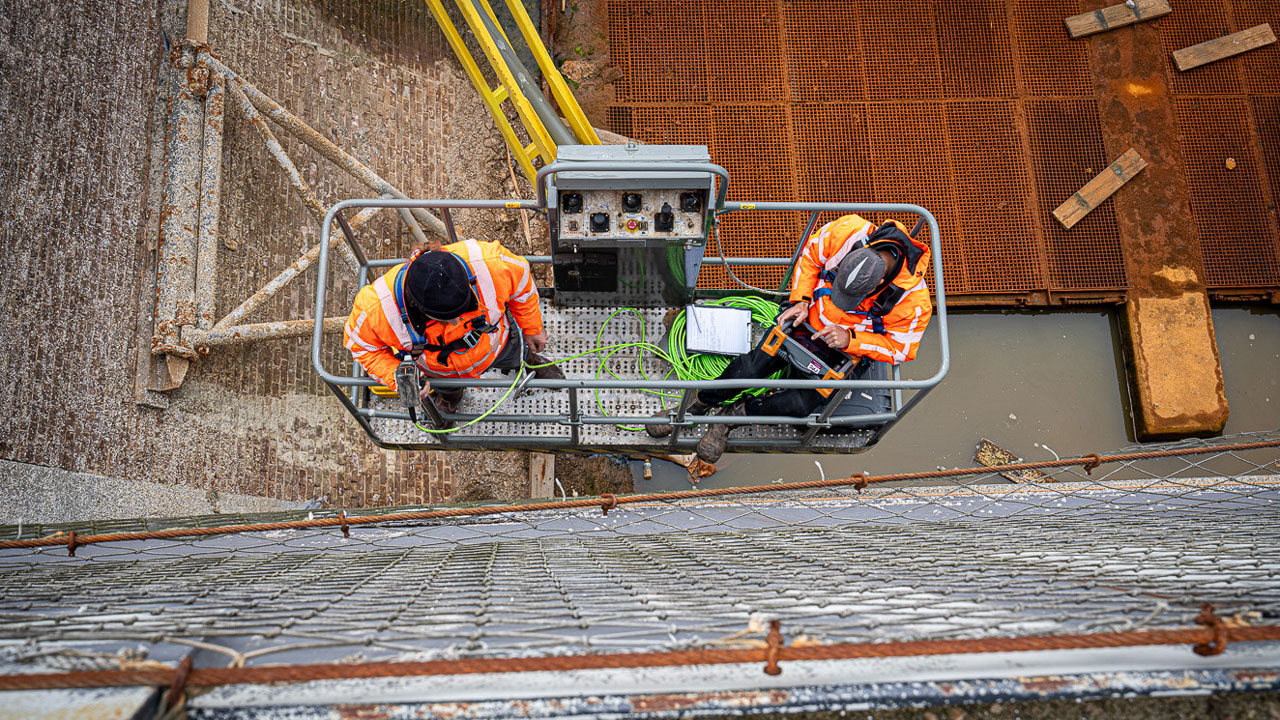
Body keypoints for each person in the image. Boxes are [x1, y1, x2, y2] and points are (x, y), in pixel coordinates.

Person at [647, 213, 932, 462]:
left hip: (842, 354)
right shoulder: (849, 231)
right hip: (803, 323)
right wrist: (801, 300)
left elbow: (902, 348)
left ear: (880, 283)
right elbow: (810, 257)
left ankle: (733, 417)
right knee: (748, 369)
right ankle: (696, 407)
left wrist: (851, 340)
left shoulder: (913, 302)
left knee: (800, 406)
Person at [344, 238, 563, 415]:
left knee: (517, 351)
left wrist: (532, 328)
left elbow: (522, 286)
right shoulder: (375, 309)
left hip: (497, 342)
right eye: (445, 318)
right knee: (447, 388)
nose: (456, 323)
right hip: (438, 371)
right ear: (416, 305)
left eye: (462, 310)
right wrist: (401, 379)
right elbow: (363, 348)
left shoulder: (492, 263)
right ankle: (450, 399)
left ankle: (530, 362)